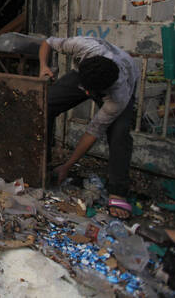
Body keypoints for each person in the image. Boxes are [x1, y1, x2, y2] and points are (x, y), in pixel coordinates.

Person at [40, 36, 137, 219]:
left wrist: (67, 166)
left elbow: (93, 131)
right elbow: (47, 42)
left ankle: (118, 190)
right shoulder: (84, 47)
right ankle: (41, 161)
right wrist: (43, 66)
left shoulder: (118, 96)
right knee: (45, 104)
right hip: (89, 72)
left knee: (119, 134)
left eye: (89, 93)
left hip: (123, 76)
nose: (85, 94)